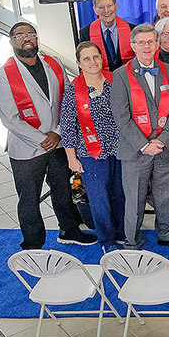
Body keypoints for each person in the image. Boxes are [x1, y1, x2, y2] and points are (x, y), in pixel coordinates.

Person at [0, 23, 93, 249]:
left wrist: (57, 133)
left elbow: (68, 100)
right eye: (19, 36)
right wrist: (42, 139)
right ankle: (32, 242)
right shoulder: (3, 76)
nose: (26, 39)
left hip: (57, 142)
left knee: (62, 190)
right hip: (27, 149)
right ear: (12, 42)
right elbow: (9, 118)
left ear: (37, 38)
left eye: (31, 34)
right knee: (29, 198)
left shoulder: (54, 64)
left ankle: (69, 230)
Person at [110, 24, 169, 250]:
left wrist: (162, 140)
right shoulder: (119, 76)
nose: (146, 46)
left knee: (167, 196)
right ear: (133, 45)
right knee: (134, 200)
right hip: (135, 151)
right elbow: (121, 117)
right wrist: (144, 145)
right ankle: (132, 242)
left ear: (157, 44)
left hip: (164, 147)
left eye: (150, 42)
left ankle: (166, 233)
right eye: (141, 42)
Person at [60, 41, 124, 251]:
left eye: (96, 56)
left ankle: (123, 233)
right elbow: (68, 126)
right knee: (100, 199)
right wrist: (71, 157)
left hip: (119, 149)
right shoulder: (73, 91)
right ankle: (107, 239)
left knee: (121, 193)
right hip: (90, 153)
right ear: (79, 63)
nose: (93, 62)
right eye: (86, 58)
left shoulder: (115, 80)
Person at [85, 0, 133, 73]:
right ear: (95, 10)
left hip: (128, 79)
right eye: (101, 7)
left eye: (109, 6)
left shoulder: (132, 30)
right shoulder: (86, 33)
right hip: (100, 80)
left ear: (116, 6)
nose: (106, 10)